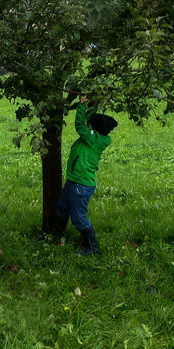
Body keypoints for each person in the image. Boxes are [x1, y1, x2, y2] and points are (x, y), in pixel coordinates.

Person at [54, 96, 118, 256]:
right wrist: (92, 103)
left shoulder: (93, 138)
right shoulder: (95, 136)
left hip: (81, 185)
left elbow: (79, 125)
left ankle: (92, 247)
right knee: (62, 208)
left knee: (78, 217)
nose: (88, 123)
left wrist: (82, 105)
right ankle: (56, 237)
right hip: (74, 182)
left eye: (90, 123)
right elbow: (90, 122)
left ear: (94, 128)